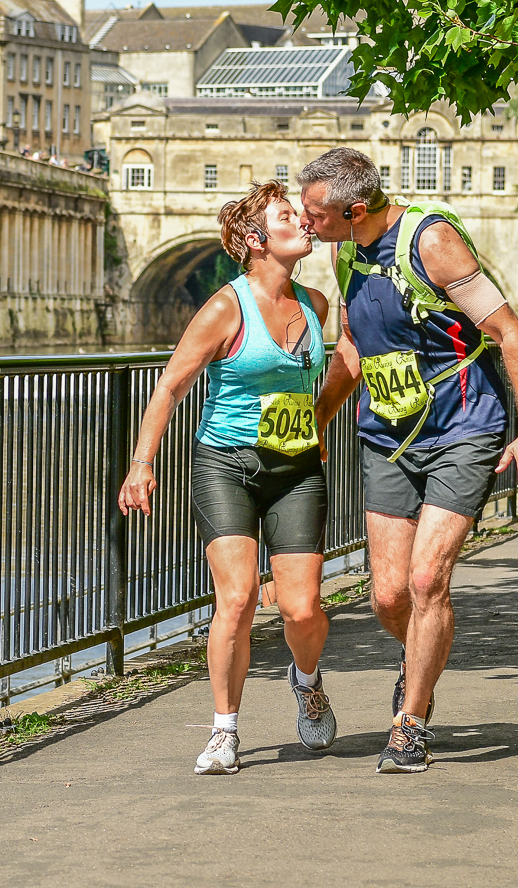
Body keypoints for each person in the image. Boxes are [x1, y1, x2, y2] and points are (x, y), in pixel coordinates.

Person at [297, 147, 518, 774]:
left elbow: (511, 334)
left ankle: (411, 720)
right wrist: (317, 420)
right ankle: (419, 658)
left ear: (355, 210)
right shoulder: (347, 249)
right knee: (387, 596)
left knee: (425, 580)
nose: (305, 223)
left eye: (315, 214)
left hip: (464, 427)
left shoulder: (431, 241)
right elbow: (356, 344)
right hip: (388, 435)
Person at [119, 181, 336, 776]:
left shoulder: (316, 306)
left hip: (296, 467)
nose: (304, 222)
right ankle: (224, 730)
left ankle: (308, 680)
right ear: (254, 239)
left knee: (301, 607)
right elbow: (169, 386)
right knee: (236, 600)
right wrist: (142, 464)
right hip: (227, 464)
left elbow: (343, 367)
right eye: (287, 216)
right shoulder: (224, 308)